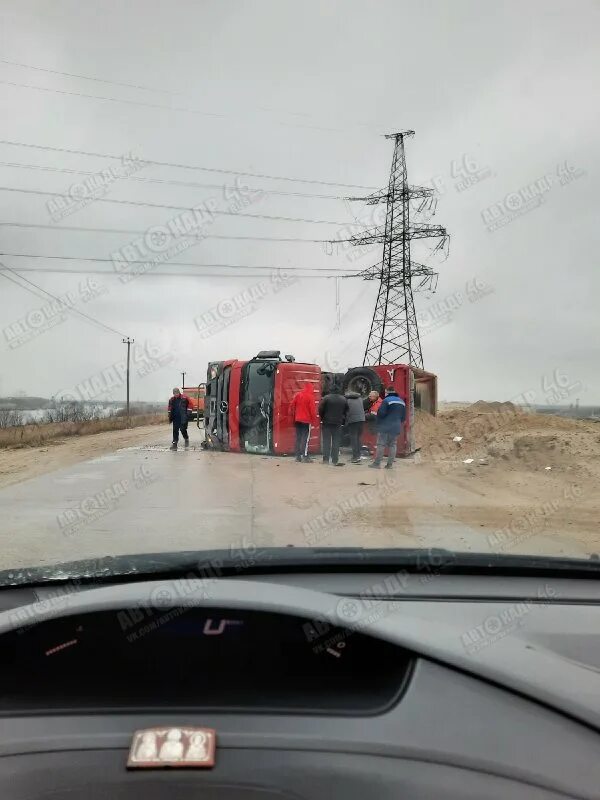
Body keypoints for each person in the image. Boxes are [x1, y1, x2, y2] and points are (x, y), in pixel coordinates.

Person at [369, 385, 406, 469]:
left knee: (381, 444)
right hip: (396, 426)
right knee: (393, 445)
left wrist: (379, 424)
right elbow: (403, 417)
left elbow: (381, 414)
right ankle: (389, 465)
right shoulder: (401, 401)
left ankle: (377, 464)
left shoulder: (386, 400)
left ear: (387, 392)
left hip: (385, 426)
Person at [289, 382, 318, 462]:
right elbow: (312, 411)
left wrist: (294, 416)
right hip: (306, 420)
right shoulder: (310, 397)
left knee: (298, 437)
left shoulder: (298, 395)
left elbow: (291, 406)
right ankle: (305, 456)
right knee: (305, 438)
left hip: (297, 420)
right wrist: (314, 421)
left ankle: (298, 456)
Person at [318, 390, 348, 466]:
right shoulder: (343, 399)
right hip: (338, 423)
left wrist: (322, 418)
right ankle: (335, 460)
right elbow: (346, 410)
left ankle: (325, 459)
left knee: (326, 441)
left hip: (327, 422)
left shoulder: (326, 398)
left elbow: (320, 409)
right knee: (336, 442)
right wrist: (342, 419)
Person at [345, 390, 366, 463]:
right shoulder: (360, 399)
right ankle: (359, 455)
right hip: (361, 420)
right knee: (358, 438)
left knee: (353, 439)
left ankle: (355, 457)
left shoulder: (347, 400)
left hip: (353, 421)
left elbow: (346, 412)